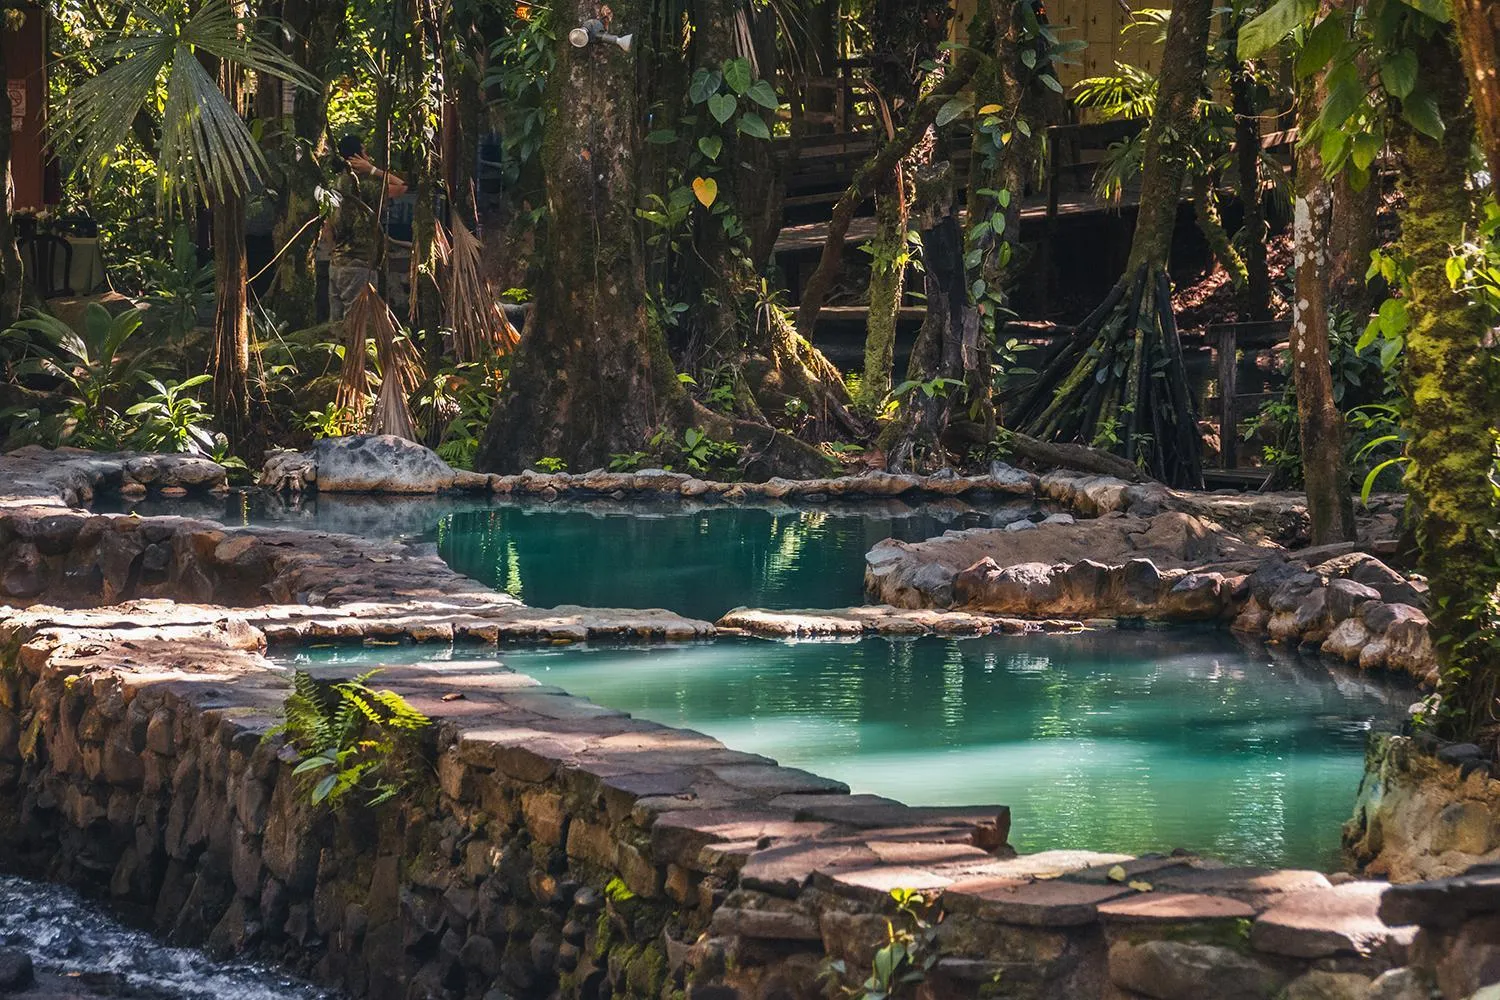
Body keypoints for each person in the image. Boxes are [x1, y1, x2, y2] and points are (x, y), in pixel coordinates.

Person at [327, 133, 407, 321]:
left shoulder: (336, 184)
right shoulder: (366, 186)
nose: (369, 157)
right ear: (357, 158)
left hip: (336, 265)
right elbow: (401, 186)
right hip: (358, 266)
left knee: (336, 325)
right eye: (365, 153)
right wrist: (373, 170)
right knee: (359, 324)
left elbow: (327, 227)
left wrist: (334, 253)